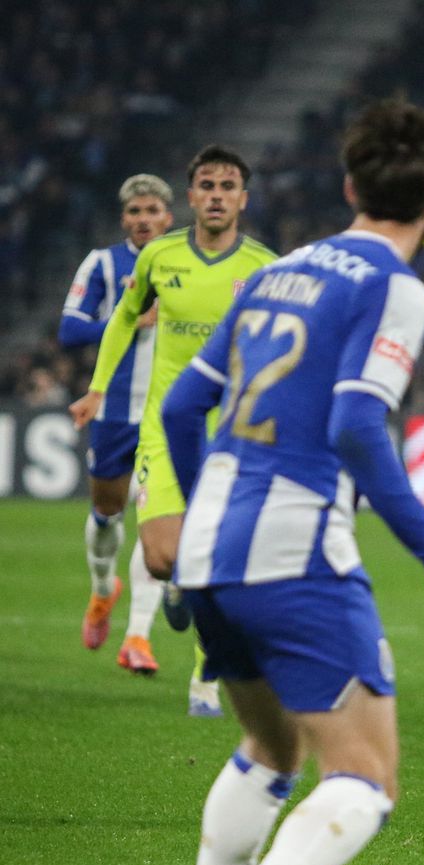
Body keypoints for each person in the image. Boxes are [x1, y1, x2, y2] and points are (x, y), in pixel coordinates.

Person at [157, 99, 424, 865]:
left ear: (348, 186)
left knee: (269, 748)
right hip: (296, 550)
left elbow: (184, 409)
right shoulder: (397, 285)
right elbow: (356, 424)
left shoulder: (279, 272)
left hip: (211, 541)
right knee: (367, 776)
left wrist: (200, 526)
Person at [70, 146, 277, 716]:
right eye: (206, 184)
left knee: (223, 558)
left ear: (242, 198)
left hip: (234, 433)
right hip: (165, 430)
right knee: (163, 559)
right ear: (189, 198)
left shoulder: (263, 266)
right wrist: (96, 388)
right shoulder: (160, 256)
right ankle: (180, 589)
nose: (216, 193)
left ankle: (205, 675)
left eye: (227, 185)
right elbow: (122, 319)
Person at [60, 174, 174, 673]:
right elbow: (68, 329)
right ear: (124, 218)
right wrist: (127, 320)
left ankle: (137, 637)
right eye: (135, 212)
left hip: (168, 414)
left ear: (169, 216)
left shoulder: (186, 264)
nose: (144, 220)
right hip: (113, 410)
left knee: (153, 520)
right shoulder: (103, 263)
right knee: (107, 512)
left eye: (152, 211)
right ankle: (104, 588)